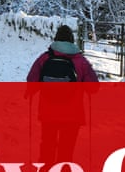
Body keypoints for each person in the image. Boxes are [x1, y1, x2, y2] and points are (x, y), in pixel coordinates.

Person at [25, 25, 98, 163]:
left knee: (47, 144)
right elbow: (93, 87)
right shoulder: (80, 61)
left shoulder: (44, 58)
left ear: (56, 39)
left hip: (48, 112)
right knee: (67, 147)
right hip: (73, 114)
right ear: (72, 40)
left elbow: (31, 80)